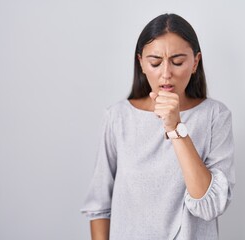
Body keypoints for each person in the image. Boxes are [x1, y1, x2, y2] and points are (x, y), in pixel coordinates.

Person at [80, 13, 235, 240]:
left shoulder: (215, 116)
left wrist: (175, 128)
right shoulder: (118, 117)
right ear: (141, 63)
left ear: (195, 62)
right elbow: (99, 207)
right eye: (155, 62)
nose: (166, 74)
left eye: (178, 62)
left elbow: (209, 205)